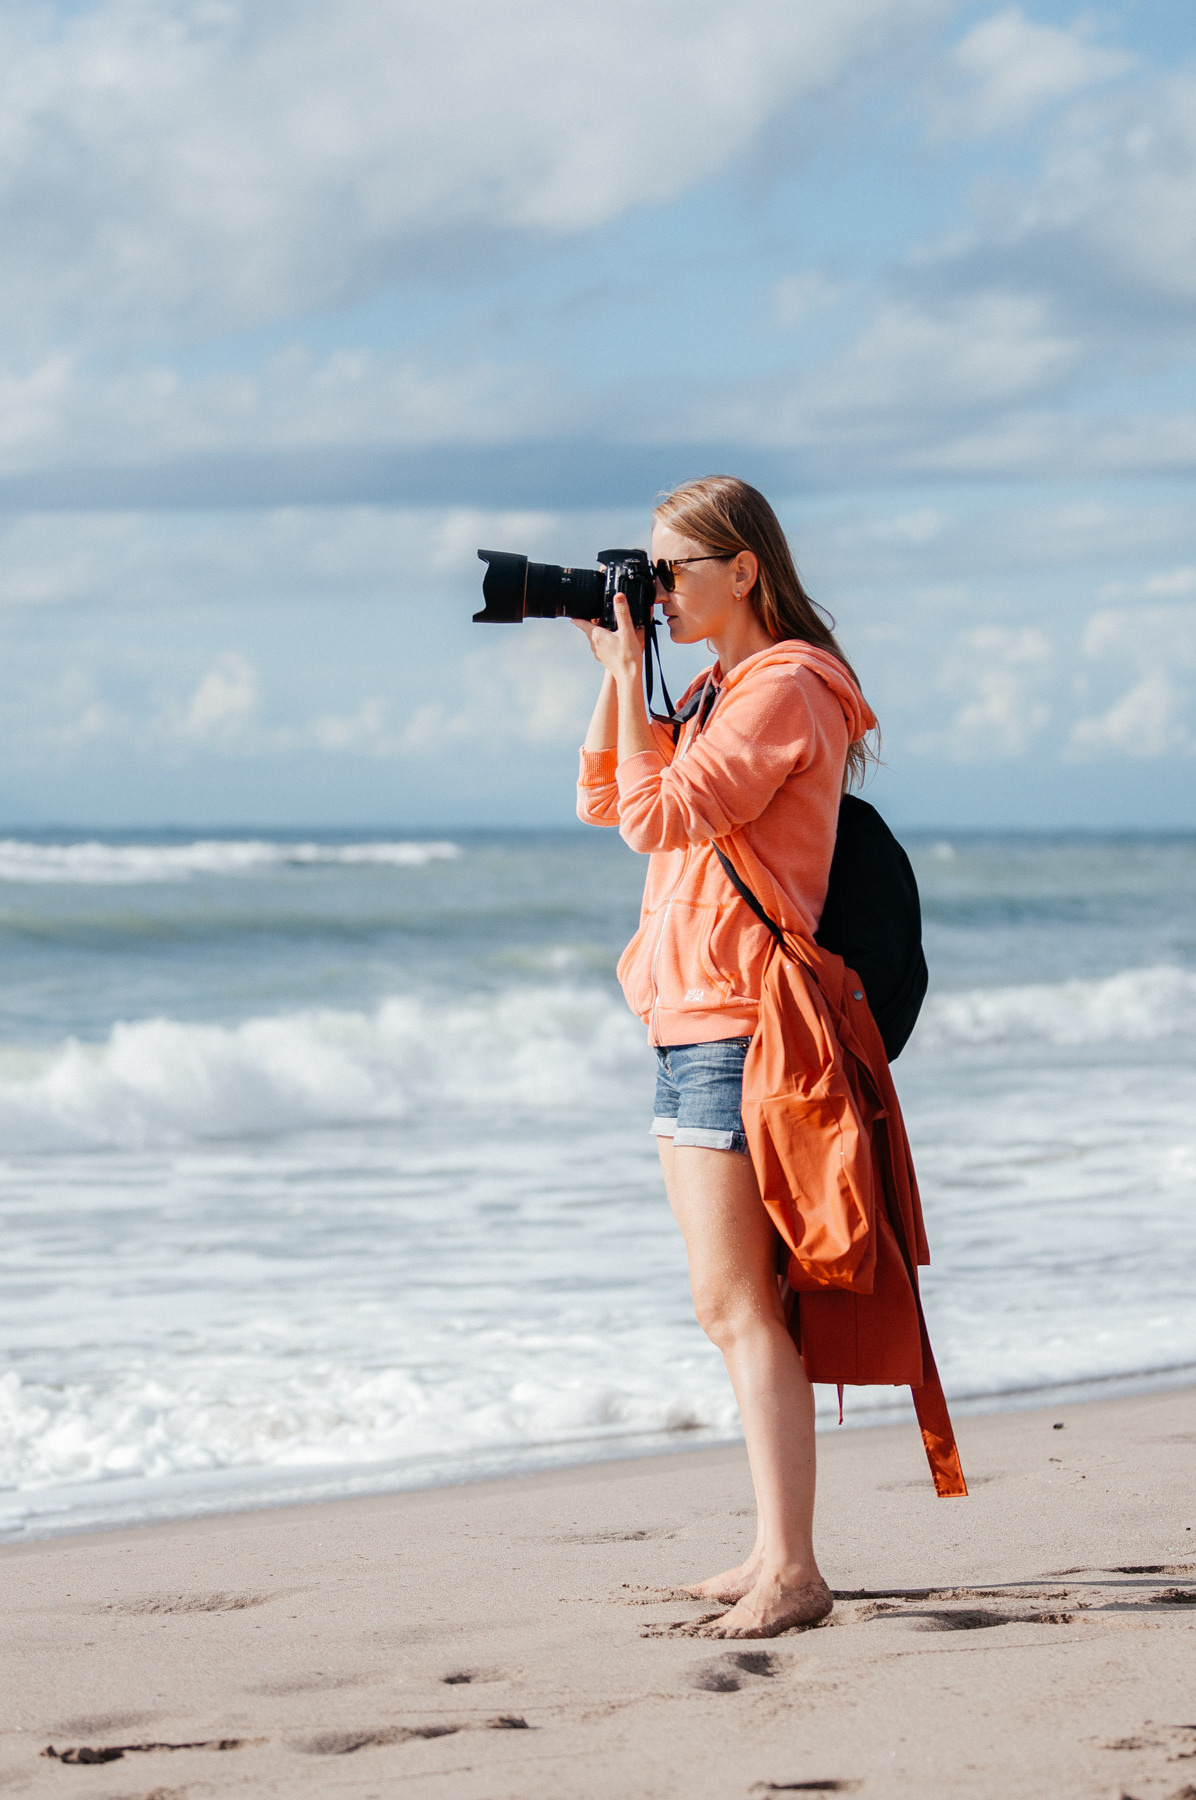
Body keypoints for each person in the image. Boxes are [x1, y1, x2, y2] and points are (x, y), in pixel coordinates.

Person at [574, 475, 877, 1641]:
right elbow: (607, 797)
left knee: (738, 1303)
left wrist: (622, 677)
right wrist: (622, 683)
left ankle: (794, 1571)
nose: (655, 592)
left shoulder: (788, 689)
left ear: (741, 568)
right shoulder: (715, 688)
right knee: (733, 1307)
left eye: (672, 571)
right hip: (687, 1013)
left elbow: (660, 820)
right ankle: (769, 1546)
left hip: (738, 1020)